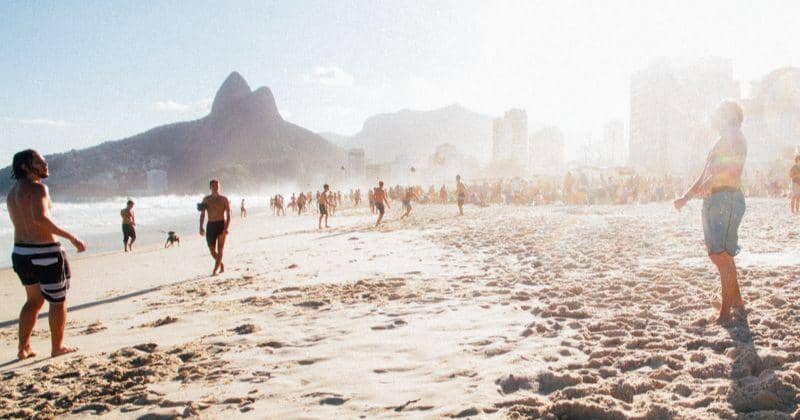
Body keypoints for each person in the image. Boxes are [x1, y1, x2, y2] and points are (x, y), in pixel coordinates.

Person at [7, 149, 86, 359]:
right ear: (25, 166)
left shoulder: (12, 192)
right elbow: (40, 218)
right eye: (40, 162)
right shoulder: (38, 189)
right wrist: (71, 237)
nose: (45, 165)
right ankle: (57, 347)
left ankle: (23, 348)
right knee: (57, 301)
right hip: (45, 253)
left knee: (33, 301)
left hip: (21, 253)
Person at [674, 100, 747, 323]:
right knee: (720, 254)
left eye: (718, 114)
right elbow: (705, 172)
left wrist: (711, 182)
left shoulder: (734, 136)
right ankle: (736, 301)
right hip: (717, 199)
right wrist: (686, 197)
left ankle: (726, 312)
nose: (714, 118)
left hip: (726, 198)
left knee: (721, 255)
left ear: (728, 116)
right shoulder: (721, 140)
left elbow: (732, 169)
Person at [199, 179, 231, 275]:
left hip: (221, 224)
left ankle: (215, 269)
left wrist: (226, 228)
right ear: (210, 187)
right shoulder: (206, 199)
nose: (215, 187)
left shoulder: (224, 199)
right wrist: (200, 227)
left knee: (220, 248)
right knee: (212, 250)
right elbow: (202, 214)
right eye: (213, 186)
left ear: (219, 187)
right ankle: (220, 264)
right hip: (211, 225)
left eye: (217, 186)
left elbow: (229, 215)